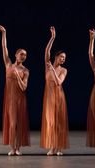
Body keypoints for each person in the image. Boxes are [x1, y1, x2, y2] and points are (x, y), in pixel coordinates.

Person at [0, 25, 30, 156]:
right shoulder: (8, 65)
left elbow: (24, 87)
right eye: (21, 54)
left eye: (25, 55)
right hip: (10, 99)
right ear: (16, 54)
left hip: (19, 99)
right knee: (12, 124)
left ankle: (18, 148)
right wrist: (4, 34)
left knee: (19, 124)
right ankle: (13, 148)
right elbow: (4, 49)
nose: (23, 56)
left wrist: (18, 76)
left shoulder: (26, 71)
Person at [40, 26, 69, 156]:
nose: (63, 59)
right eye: (61, 57)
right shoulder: (48, 66)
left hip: (59, 96)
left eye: (64, 58)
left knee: (59, 123)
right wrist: (52, 37)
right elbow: (47, 51)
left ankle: (59, 147)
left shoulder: (63, 70)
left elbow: (59, 82)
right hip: (49, 97)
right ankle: (52, 147)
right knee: (50, 122)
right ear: (56, 56)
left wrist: (52, 70)